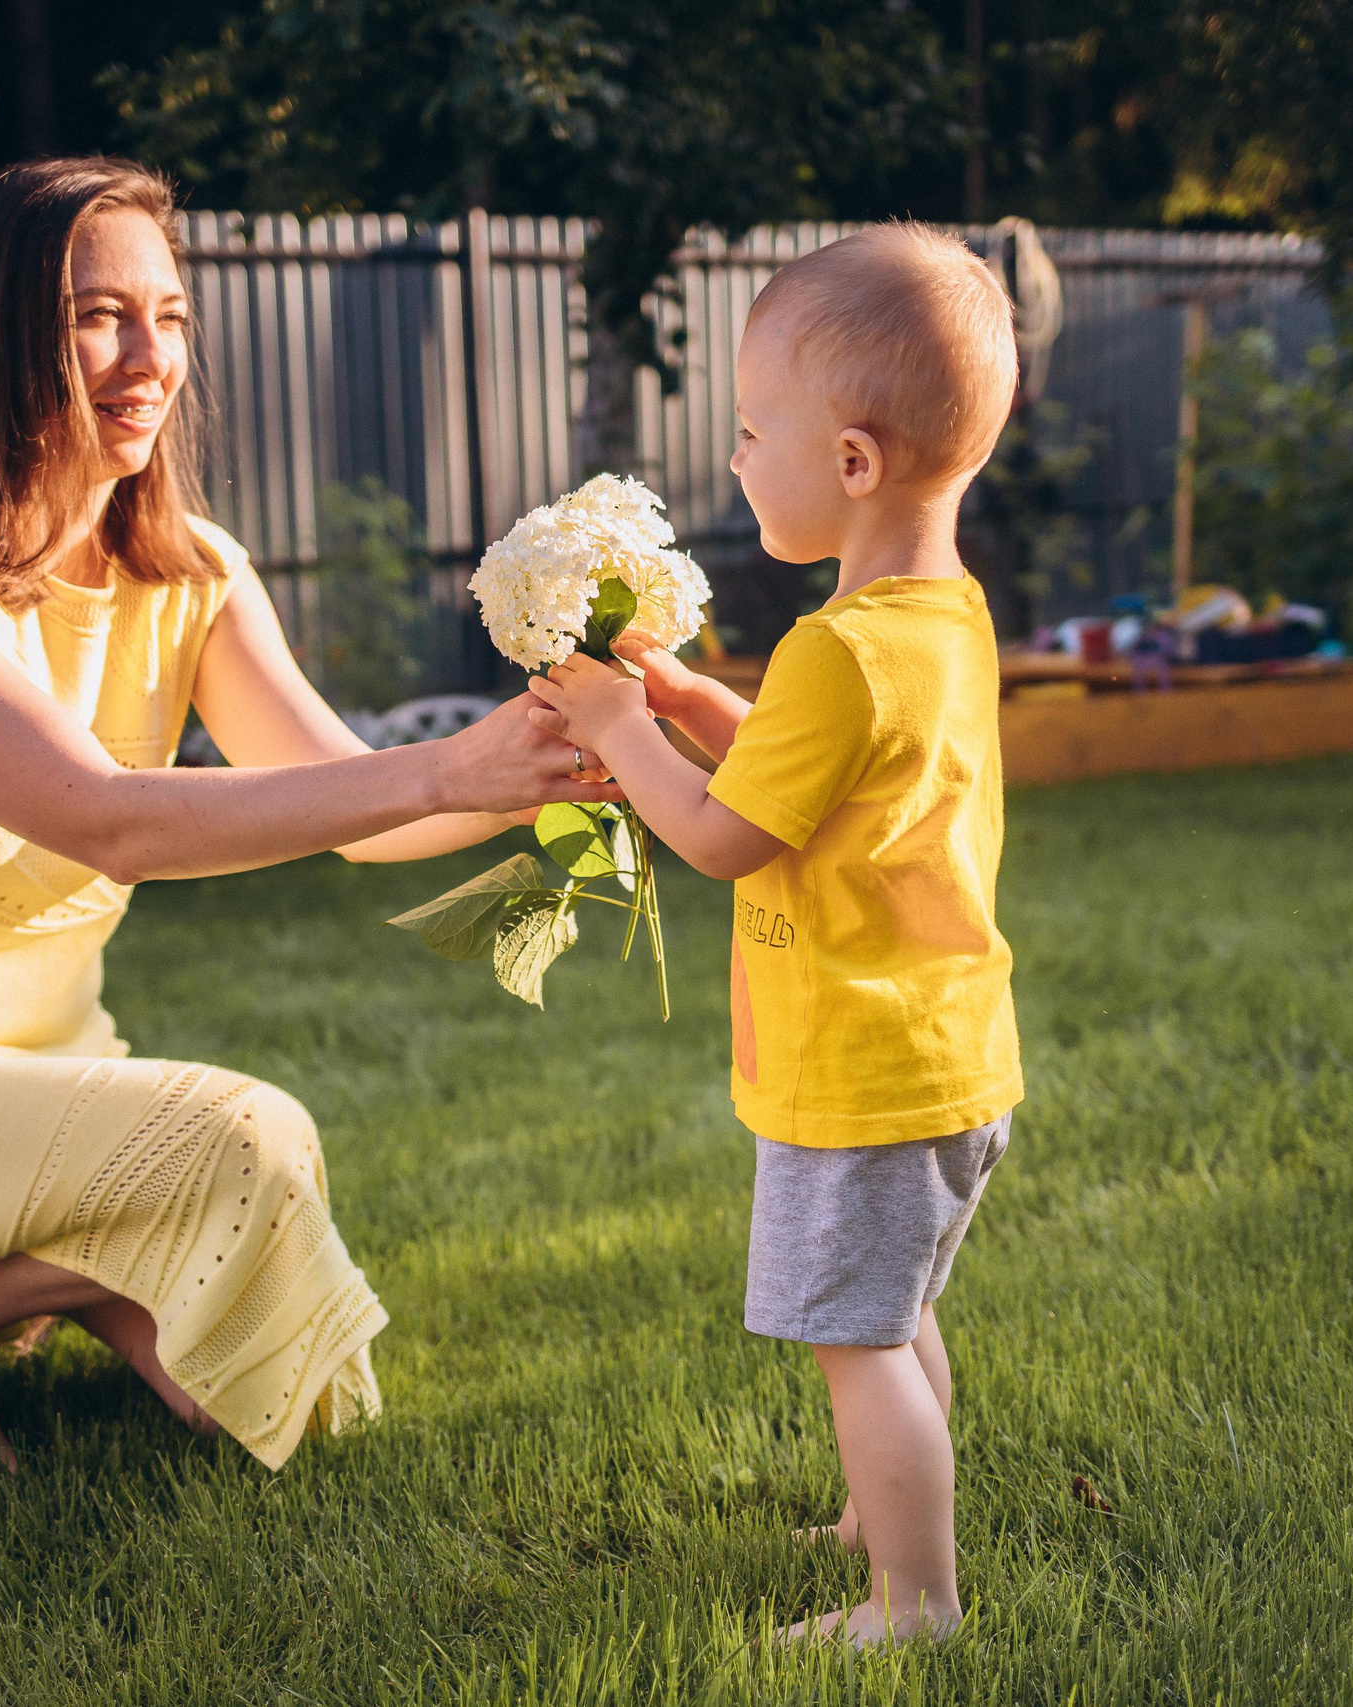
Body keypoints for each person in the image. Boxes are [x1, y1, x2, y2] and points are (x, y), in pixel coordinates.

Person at [0, 157, 617, 1473]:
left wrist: (556, 765)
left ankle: (55, 1276)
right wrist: (446, 768)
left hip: (50, 1066)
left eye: (171, 316)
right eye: (98, 315)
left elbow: (361, 815)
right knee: (244, 1134)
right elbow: (108, 820)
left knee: (295, 1413)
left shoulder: (189, 573)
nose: (149, 358)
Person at [526, 224, 1023, 1644]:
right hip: (946, 1053)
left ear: (853, 463)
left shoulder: (834, 650)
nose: (737, 461)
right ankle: (888, 1514)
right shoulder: (937, 621)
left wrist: (623, 727)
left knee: (852, 1333)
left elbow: (729, 837)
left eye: (753, 434)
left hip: (855, 1073)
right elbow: (824, 788)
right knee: (898, 1306)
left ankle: (912, 1600)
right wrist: (691, 704)